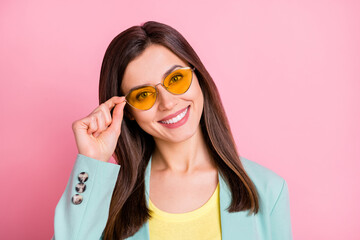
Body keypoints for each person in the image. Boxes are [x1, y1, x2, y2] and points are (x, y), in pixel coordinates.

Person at [52, 21, 293, 240]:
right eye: (144, 95)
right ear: (128, 113)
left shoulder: (268, 190)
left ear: (198, 77)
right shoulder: (104, 197)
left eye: (176, 79)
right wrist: (91, 163)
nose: (167, 103)